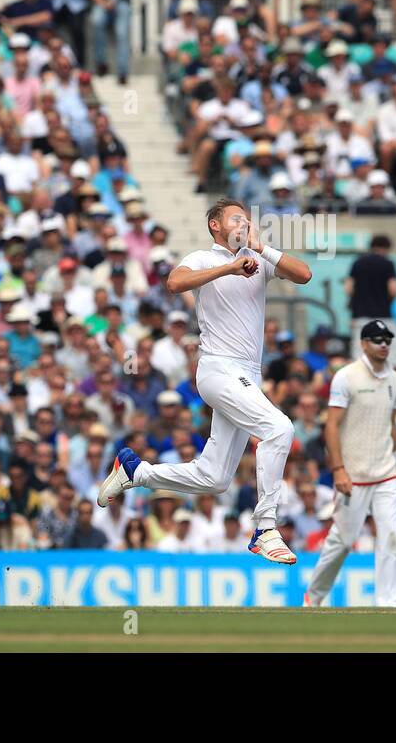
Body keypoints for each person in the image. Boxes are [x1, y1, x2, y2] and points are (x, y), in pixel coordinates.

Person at [97, 198, 312, 564]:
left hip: (247, 375)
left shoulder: (257, 259)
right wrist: (228, 268)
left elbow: (304, 274)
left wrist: (261, 248)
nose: (244, 223)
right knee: (279, 428)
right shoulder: (204, 258)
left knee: (215, 478)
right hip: (218, 369)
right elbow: (174, 282)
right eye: (235, 218)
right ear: (216, 225)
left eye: (247, 219)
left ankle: (137, 471)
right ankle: (265, 528)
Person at [304, 321, 396, 607]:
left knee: (390, 536)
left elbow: (391, 423)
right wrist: (338, 469)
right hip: (354, 475)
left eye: (387, 339)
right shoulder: (346, 377)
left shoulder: (395, 379)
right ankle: (313, 597)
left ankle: (391, 602)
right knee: (343, 540)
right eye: (377, 339)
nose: (384, 344)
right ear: (363, 344)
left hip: (386, 472)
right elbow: (331, 426)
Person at [346, 235, 396, 412]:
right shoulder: (388, 263)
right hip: (384, 318)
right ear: (386, 248)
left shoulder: (358, 263)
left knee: (359, 361)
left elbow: (349, 288)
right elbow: (393, 290)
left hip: (360, 318)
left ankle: (356, 399)